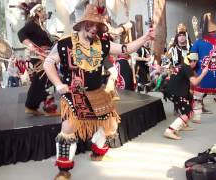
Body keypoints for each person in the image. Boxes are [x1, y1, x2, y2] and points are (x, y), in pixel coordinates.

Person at [43, 3, 155, 172]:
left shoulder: (102, 44)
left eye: (98, 25)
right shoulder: (65, 43)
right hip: (75, 92)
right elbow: (48, 62)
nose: (95, 28)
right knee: (68, 127)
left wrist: (145, 37)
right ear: (82, 24)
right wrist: (58, 84)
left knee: (110, 124)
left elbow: (125, 49)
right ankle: (64, 170)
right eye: (91, 24)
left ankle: (98, 152)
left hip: (97, 91)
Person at [17, 2, 58, 116]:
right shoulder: (31, 25)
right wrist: (32, 47)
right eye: (43, 10)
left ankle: (31, 106)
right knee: (46, 80)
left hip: (47, 56)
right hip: (40, 57)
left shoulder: (41, 26)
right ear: (37, 12)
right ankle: (49, 108)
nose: (45, 13)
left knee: (39, 81)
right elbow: (21, 33)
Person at [163, 53, 208, 140]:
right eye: (196, 62)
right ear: (193, 62)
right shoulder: (187, 68)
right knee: (188, 112)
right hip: (176, 93)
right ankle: (170, 130)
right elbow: (195, 82)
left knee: (189, 100)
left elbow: (181, 80)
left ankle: (182, 124)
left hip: (171, 91)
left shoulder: (181, 66)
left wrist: (189, 92)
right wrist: (203, 74)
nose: (196, 64)